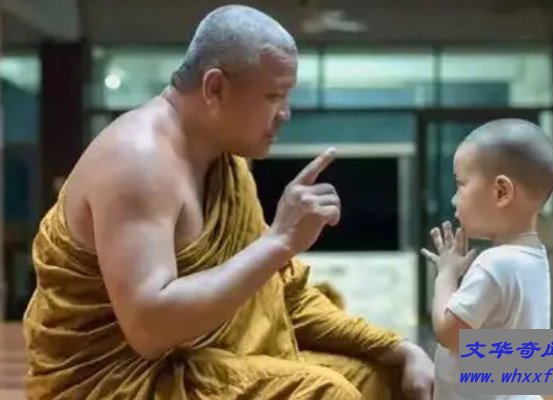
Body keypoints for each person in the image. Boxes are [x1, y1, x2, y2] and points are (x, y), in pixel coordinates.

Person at [24, 5, 434, 400]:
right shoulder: (137, 161)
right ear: (215, 88)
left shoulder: (227, 162)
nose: (285, 114)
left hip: (202, 362)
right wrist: (278, 242)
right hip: (119, 382)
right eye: (273, 96)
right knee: (327, 393)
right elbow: (149, 330)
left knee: (379, 377)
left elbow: (280, 293)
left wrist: (394, 347)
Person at [421, 119, 553, 400]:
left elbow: (449, 334)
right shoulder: (535, 259)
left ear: (501, 192)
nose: (454, 199)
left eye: (460, 185)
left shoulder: (493, 263)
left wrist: (446, 275)